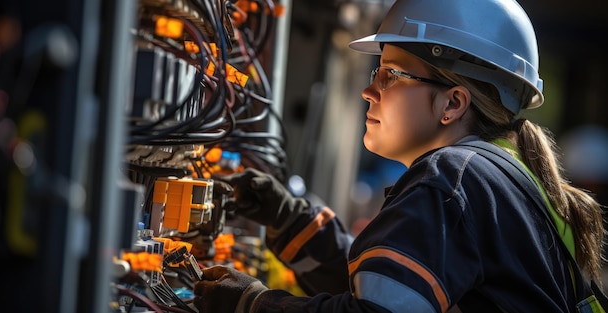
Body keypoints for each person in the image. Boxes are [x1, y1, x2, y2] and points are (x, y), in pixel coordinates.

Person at [192, 0, 605, 312]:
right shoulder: (498, 178)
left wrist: (253, 304)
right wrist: (294, 224)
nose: (369, 91)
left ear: (454, 103)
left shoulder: (452, 176)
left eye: (391, 74)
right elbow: (396, 289)